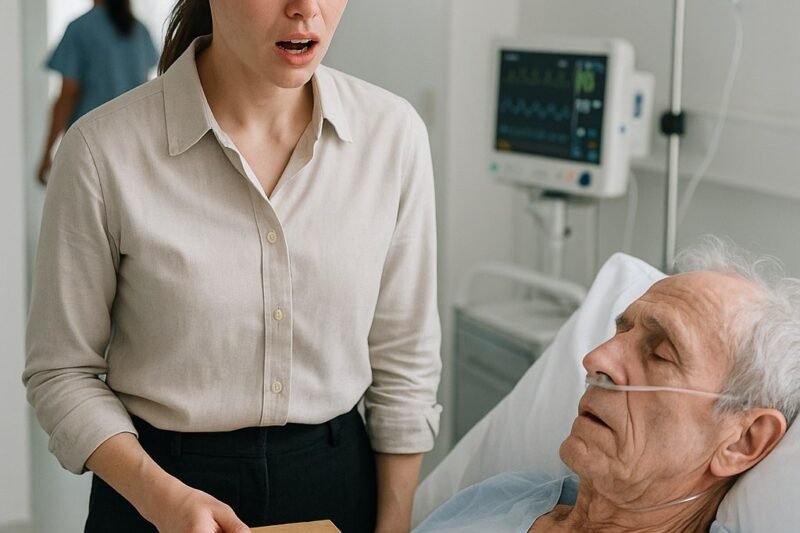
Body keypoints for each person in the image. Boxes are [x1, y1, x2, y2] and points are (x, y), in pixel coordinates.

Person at [23, 1, 442, 532]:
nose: (306, 9)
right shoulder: (99, 150)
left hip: (337, 485)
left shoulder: (393, 136)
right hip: (151, 490)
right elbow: (61, 372)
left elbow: (405, 360)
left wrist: (395, 522)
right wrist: (160, 499)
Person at [416, 240, 800, 532]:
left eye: (660, 354)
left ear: (742, 442)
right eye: (620, 331)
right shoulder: (502, 497)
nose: (596, 358)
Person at [37, 0, 158, 186]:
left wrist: (46, 154)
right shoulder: (139, 30)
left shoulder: (80, 29)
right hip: (133, 145)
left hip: (90, 147)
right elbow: (146, 91)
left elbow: (68, 94)